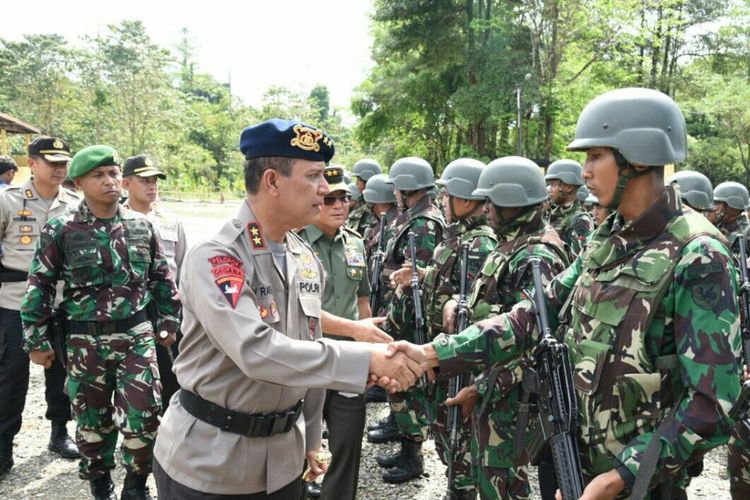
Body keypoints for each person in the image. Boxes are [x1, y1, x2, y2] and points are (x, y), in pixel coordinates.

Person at [391, 88, 742, 500]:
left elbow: (712, 404)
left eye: (595, 156)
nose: (584, 172)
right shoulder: (605, 240)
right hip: (569, 460)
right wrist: (436, 353)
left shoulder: (698, 255)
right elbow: (532, 316)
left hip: (639, 485)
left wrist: (621, 479)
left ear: (640, 156)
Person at [150, 118, 421, 500]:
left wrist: (310, 438)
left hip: (282, 463)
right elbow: (257, 351)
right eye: (313, 176)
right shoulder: (218, 256)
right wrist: (366, 360)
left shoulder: (303, 256)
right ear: (273, 181)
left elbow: (305, 343)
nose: (325, 189)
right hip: (212, 464)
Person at [21, 144, 181, 500]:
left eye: (112, 173)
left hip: (136, 337)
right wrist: (36, 342)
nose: (109, 181)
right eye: (98, 175)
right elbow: (39, 287)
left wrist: (169, 321)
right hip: (83, 343)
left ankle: (136, 485)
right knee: (93, 425)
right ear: (79, 183)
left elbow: (162, 281)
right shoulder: (61, 229)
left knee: (144, 419)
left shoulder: (142, 226)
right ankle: (100, 484)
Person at [439, 156, 568, 500]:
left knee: (506, 487)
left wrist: (481, 387)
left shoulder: (537, 256)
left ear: (510, 204)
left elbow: (537, 342)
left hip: (516, 401)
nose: (486, 210)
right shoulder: (511, 244)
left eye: (491, 203)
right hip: (496, 393)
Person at [387, 158, 497, 498]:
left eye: (448, 194)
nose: (442, 200)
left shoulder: (479, 245)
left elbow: (479, 312)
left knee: (461, 447)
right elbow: (448, 285)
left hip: (461, 362)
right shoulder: (457, 238)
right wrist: (418, 276)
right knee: (447, 440)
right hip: (445, 356)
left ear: (465, 200)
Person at [299, 166, 390, 500]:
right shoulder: (294, 244)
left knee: (348, 442)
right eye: (329, 199)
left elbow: (363, 300)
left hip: (348, 362)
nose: (339, 205)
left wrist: (370, 351)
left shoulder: (355, 243)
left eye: (345, 198)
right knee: (297, 440)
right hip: (306, 358)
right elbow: (297, 310)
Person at [0, 136, 80, 478]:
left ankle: (59, 432)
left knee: (62, 372)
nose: (60, 168)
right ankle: (3, 444)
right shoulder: (8, 201)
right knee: (10, 375)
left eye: (64, 163)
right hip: (14, 302)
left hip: (61, 303)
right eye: (52, 162)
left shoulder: (76, 204)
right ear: (31, 164)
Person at [368, 156, 446, 484]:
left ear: (406, 189)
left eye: (398, 188)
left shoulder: (424, 223)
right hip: (399, 313)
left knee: (410, 386)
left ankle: (412, 456)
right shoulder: (412, 217)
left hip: (413, 319)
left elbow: (419, 281)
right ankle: (405, 440)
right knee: (400, 383)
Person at [121, 154, 187, 411]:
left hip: (168, 306)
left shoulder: (171, 220)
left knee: (175, 372)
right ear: (126, 184)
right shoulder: (116, 220)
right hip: (134, 308)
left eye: (155, 181)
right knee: (140, 377)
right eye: (145, 180)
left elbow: (182, 264)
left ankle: (173, 428)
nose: (152, 186)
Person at [545, 159, 594, 258]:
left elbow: (580, 262)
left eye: (553, 184)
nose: (549, 189)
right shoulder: (552, 215)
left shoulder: (580, 221)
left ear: (568, 187)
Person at [347, 158, 382, 236]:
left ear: (366, 179)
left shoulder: (379, 204)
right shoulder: (362, 201)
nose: (356, 183)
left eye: (358, 179)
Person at [714, 181, 750, 247]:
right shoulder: (718, 226)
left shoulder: (747, 232)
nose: (715, 208)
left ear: (733, 206)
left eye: (718, 203)